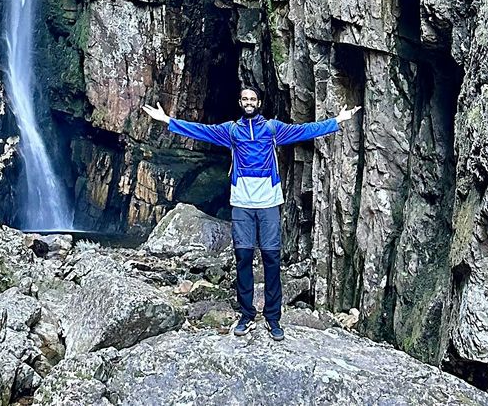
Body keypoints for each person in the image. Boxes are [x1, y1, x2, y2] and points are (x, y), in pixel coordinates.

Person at [142, 88, 359, 341]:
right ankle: (246, 315)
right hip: (242, 203)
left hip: (268, 202)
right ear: (239, 102)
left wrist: (337, 121)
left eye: (252, 99)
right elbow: (202, 131)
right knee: (243, 257)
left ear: (258, 103)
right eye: (244, 99)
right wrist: (167, 120)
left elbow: (304, 130)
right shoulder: (231, 131)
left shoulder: (272, 129)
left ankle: (273, 318)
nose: (248, 102)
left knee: (271, 259)